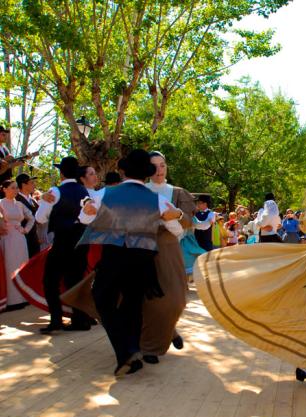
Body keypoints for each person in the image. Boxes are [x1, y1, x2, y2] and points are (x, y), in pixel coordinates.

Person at [78, 149, 183, 375]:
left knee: (103, 299)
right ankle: (133, 351)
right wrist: (177, 216)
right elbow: (175, 230)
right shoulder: (158, 200)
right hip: (143, 260)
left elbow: (85, 217)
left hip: (114, 257)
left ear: (123, 171)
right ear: (146, 174)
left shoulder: (104, 193)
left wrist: (87, 209)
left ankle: (126, 351)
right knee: (132, 305)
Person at [143, 150, 196, 362]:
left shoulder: (178, 192)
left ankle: (170, 329)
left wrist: (178, 215)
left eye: (162, 165)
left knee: (177, 298)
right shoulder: (140, 190)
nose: (159, 170)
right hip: (143, 246)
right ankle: (150, 347)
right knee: (147, 298)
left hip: (169, 246)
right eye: (154, 166)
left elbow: (188, 221)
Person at [35, 156, 92, 333]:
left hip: (62, 242)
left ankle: (56, 319)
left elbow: (40, 218)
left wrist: (42, 201)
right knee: (75, 281)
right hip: (81, 243)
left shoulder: (55, 191)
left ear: (61, 173)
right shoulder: (85, 192)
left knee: (50, 281)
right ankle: (80, 319)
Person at [0, 179, 34, 310]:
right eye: (13, 188)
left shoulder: (19, 204)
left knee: (22, 266)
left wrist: (25, 230)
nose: (16, 190)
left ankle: (23, 298)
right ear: (4, 189)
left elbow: (31, 217)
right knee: (9, 266)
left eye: (16, 188)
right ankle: (11, 301)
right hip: (6, 238)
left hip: (20, 238)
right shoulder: (1, 203)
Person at [15, 173, 40, 257]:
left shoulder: (33, 201)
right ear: (23, 185)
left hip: (34, 240)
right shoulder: (15, 200)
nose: (34, 185)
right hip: (22, 240)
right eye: (31, 183)